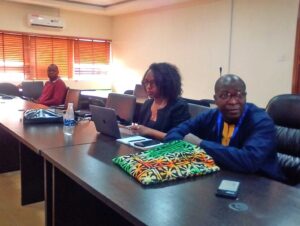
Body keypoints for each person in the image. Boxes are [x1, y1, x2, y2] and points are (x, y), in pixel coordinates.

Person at [165, 74, 285, 181]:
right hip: (220, 176)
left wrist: (200, 144)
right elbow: (172, 135)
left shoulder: (261, 121)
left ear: (245, 96)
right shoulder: (211, 116)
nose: (233, 101)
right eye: (224, 95)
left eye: (239, 95)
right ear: (215, 99)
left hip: (262, 184)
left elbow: (249, 161)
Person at [130, 62, 190, 140]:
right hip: (144, 146)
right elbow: (141, 130)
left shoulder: (179, 106)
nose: (148, 86)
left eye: (153, 82)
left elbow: (180, 138)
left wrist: (149, 131)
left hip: (166, 149)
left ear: (167, 84)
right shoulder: (147, 104)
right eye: (146, 82)